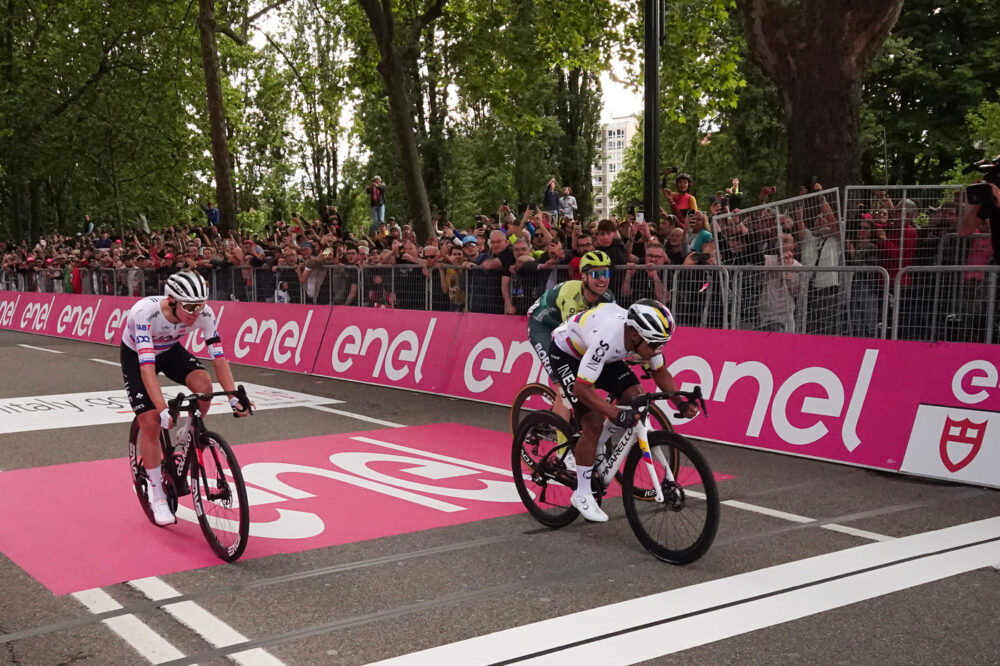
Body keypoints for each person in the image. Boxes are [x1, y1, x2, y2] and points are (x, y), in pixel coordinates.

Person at [546, 299, 698, 522]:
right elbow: (581, 389)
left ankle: (595, 447)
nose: (658, 350)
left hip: (604, 356)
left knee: (636, 397)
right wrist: (615, 413)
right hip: (567, 354)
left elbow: (660, 371)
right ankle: (583, 493)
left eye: (662, 344)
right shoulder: (607, 338)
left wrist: (681, 402)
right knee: (593, 421)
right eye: (655, 345)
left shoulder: (644, 335)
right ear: (636, 335)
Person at [120, 271, 252, 527]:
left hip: (170, 351)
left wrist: (233, 397)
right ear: (172, 301)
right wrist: (161, 409)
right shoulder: (144, 313)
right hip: (138, 356)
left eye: (200, 305)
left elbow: (218, 358)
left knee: (203, 385)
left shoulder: (204, 313)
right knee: (150, 421)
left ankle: (189, 432)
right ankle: (157, 494)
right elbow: (147, 369)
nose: (196, 312)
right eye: (190, 306)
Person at [526, 250, 616, 426]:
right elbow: (569, 338)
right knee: (564, 388)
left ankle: (566, 418)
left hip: (564, 328)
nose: (603, 279)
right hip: (542, 327)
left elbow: (614, 330)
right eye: (597, 274)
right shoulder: (571, 295)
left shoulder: (607, 298)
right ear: (584, 277)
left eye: (606, 274)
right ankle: (563, 449)